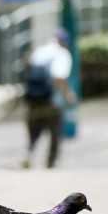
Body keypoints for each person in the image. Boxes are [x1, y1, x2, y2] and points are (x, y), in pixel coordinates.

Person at [22, 29, 76, 168]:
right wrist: (67, 93)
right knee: (55, 133)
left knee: (34, 132)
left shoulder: (40, 51)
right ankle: (51, 163)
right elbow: (59, 76)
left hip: (33, 98)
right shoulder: (62, 54)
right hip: (52, 101)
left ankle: (27, 155)